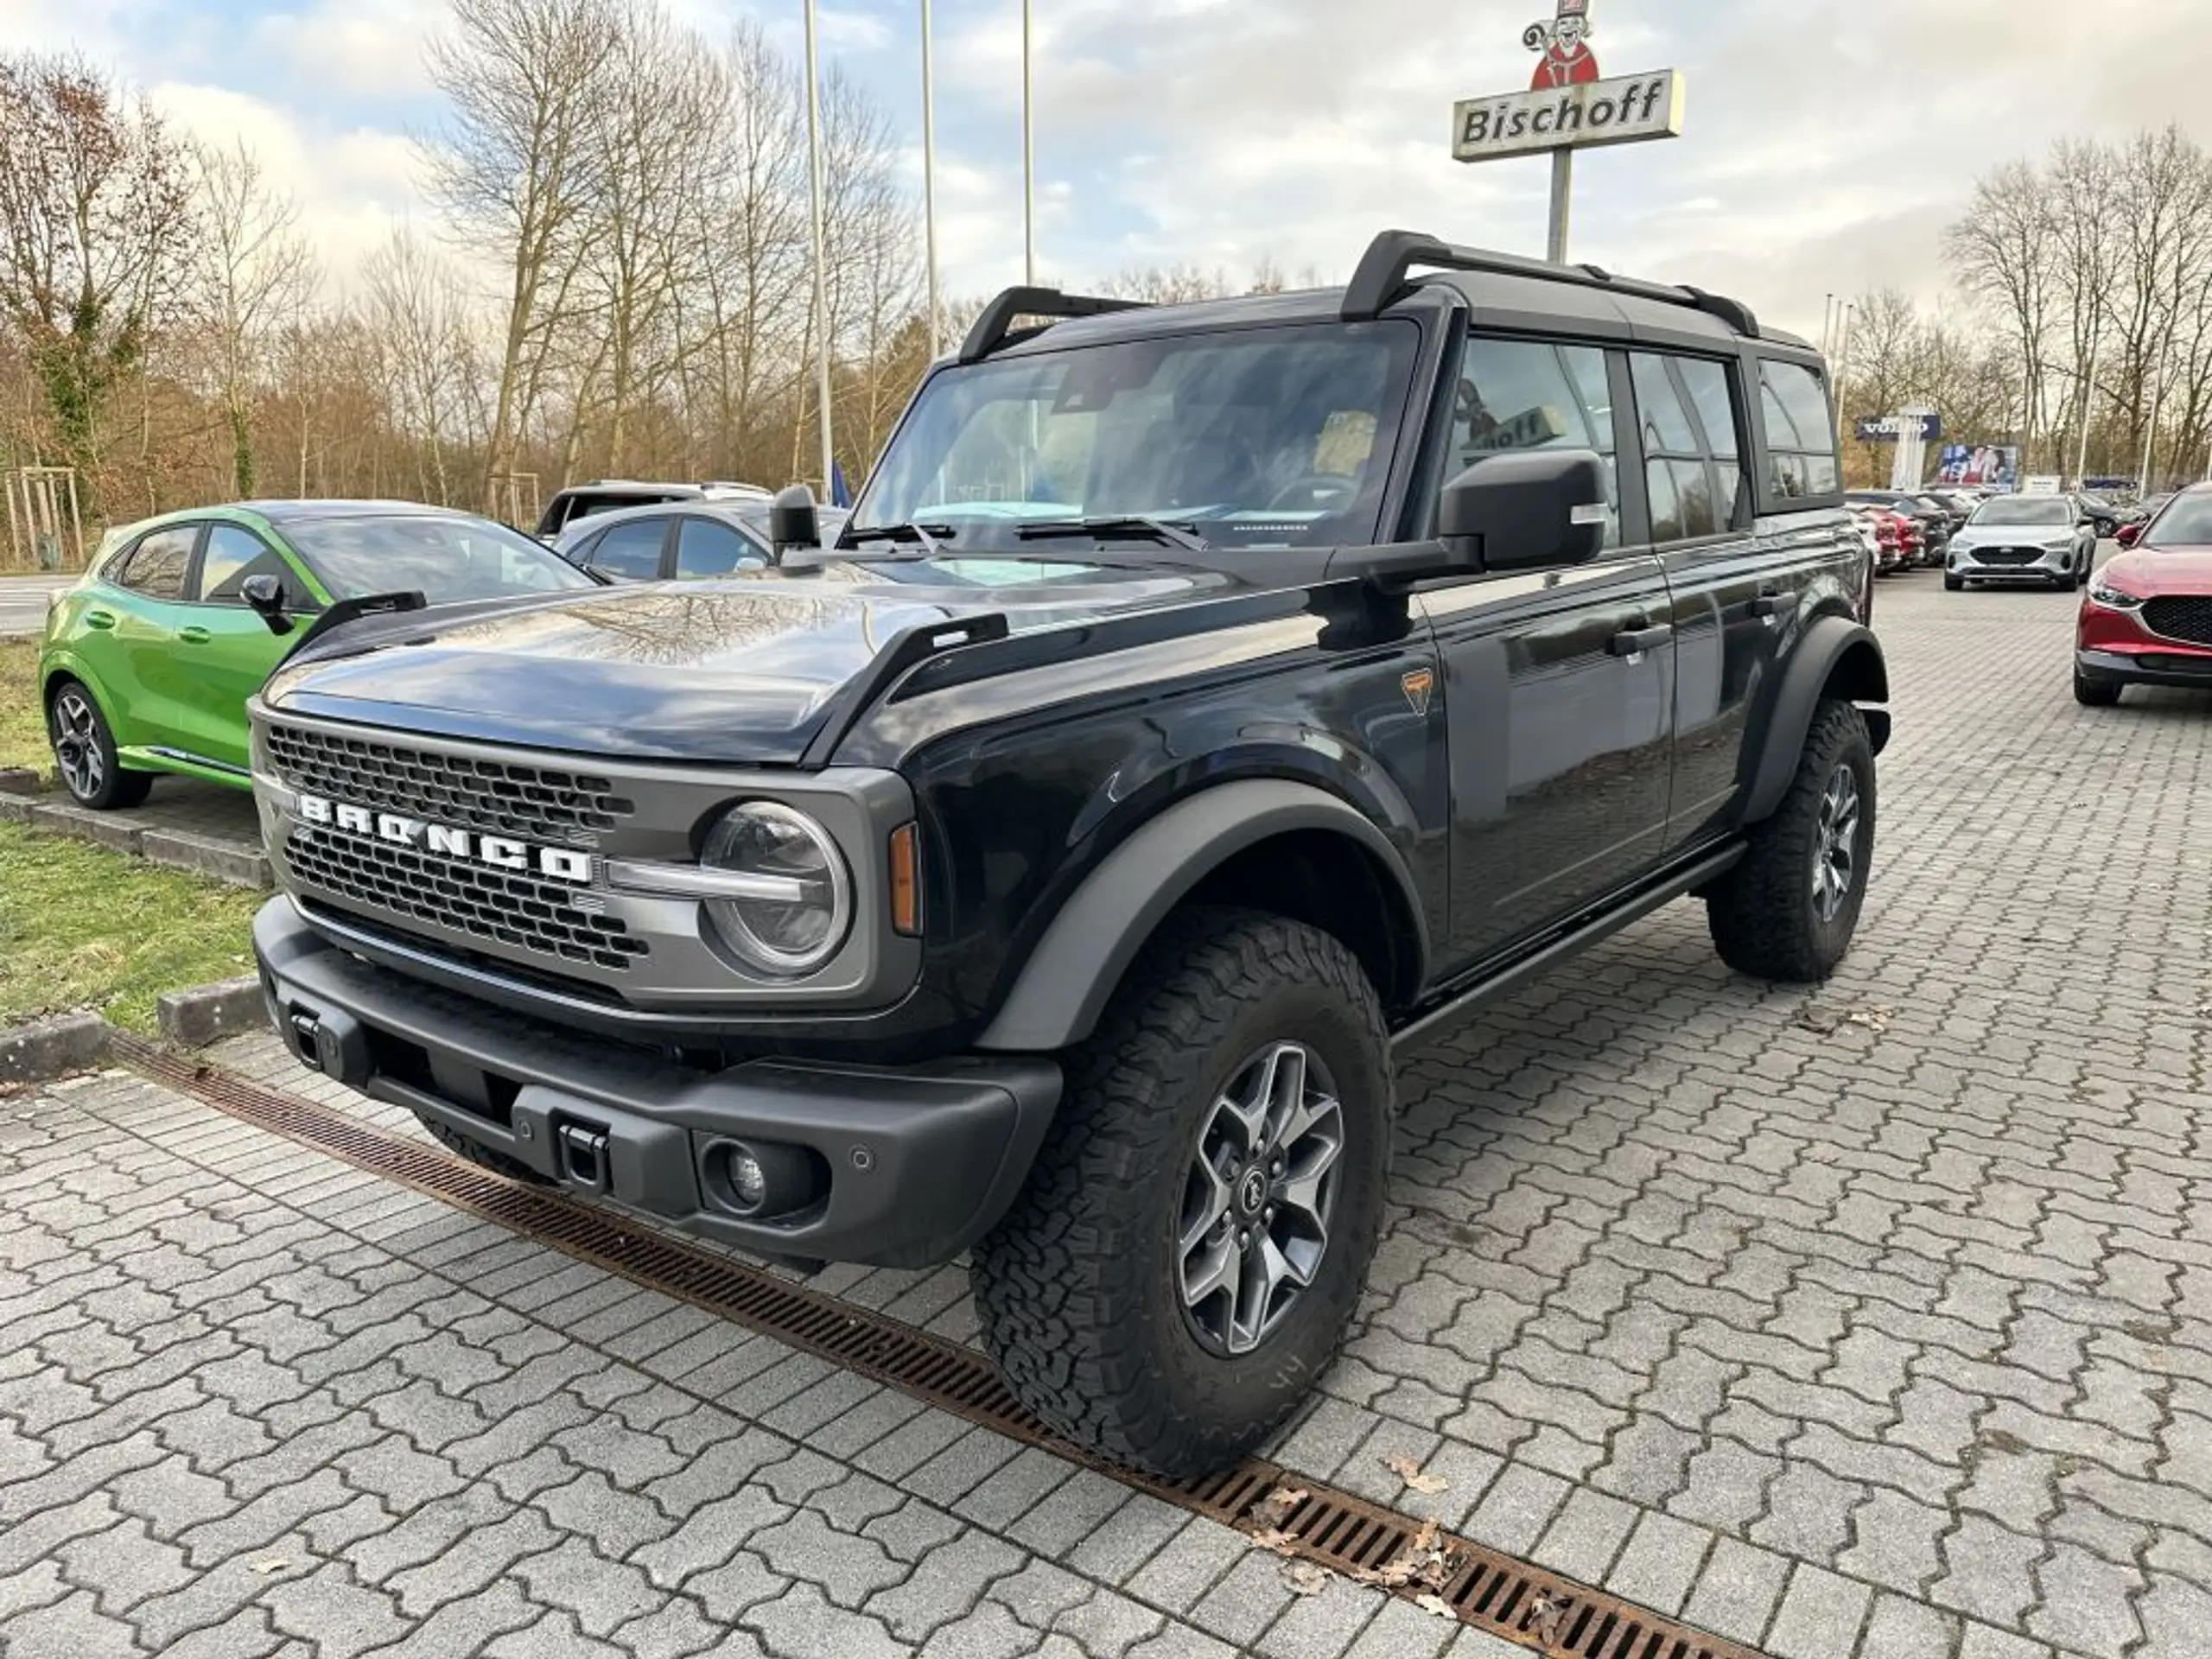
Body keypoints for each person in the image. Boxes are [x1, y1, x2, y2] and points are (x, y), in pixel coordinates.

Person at [1529, 0, 1601, 88]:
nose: (1569, 28)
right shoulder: (1549, 59)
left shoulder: (1586, 56)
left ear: (1583, 27)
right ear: (1556, 28)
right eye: (1563, 23)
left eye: (1575, 23)